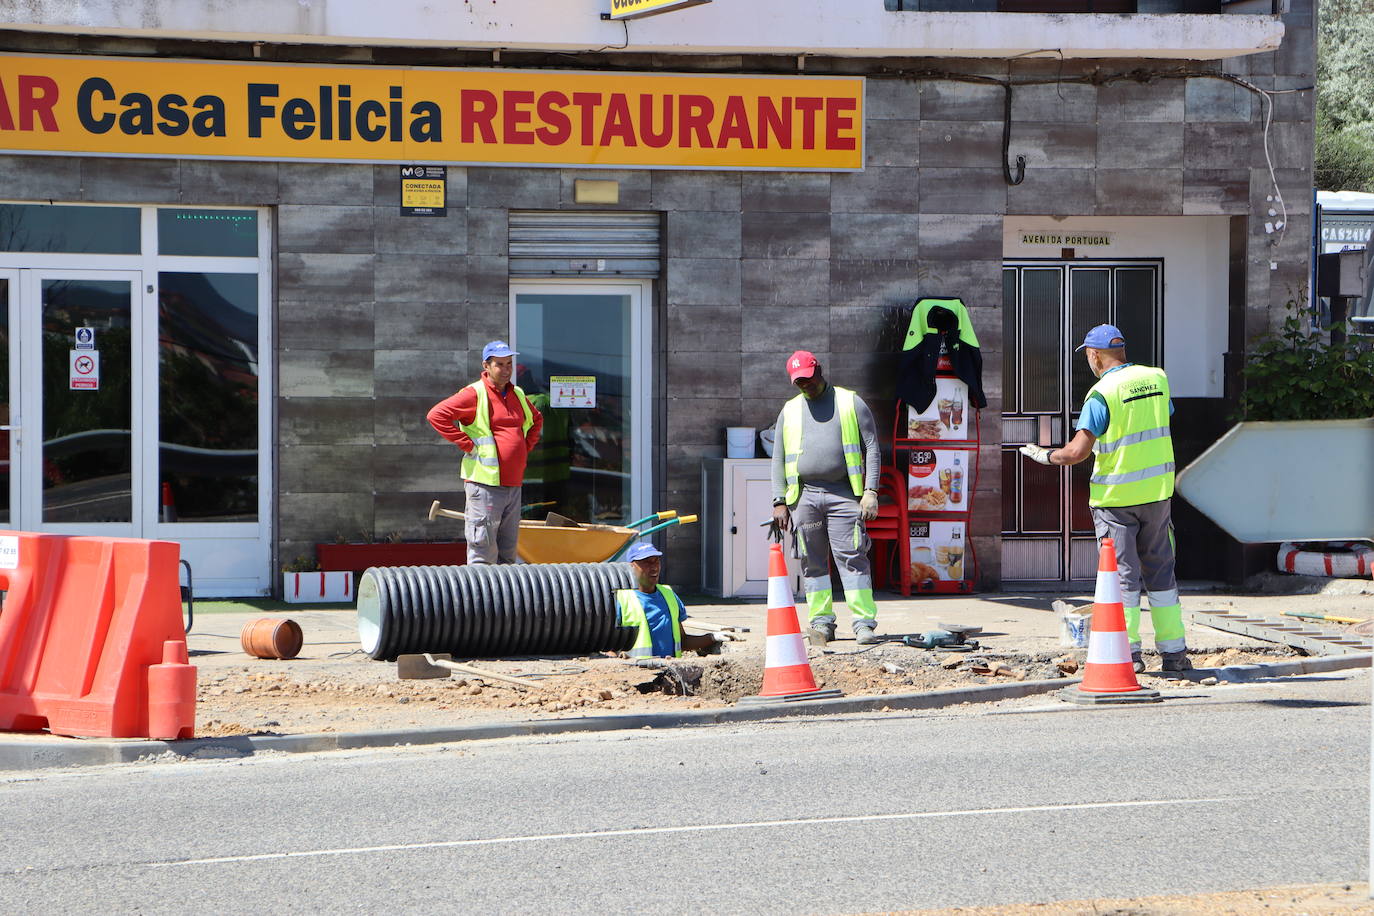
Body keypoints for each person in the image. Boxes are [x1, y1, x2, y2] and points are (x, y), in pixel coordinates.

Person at [1019, 324, 1189, 673]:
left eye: (1088, 356)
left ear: (1094, 355)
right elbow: (1162, 419)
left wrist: (1043, 456)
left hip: (1116, 501)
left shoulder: (1102, 393)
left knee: (1123, 578)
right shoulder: (1157, 379)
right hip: (1157, 495)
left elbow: (1076, 453)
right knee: (1161, 573)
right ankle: (1174, 654)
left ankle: (1129, 655)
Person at [770, 350, 883, 647]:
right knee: (812, 562)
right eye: (798, 382)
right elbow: (778, 457)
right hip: (805, 498)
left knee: (852, 558)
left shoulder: (849, 402)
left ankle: (863, 624)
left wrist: (870, 491)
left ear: (819, 371)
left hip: (844, 496)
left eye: (808, 379)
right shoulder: (790, 410)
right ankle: (821, 622)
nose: (805, 385)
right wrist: (779, 500)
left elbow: (872, 446)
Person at [427, 340, 543, 565]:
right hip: (484, 484)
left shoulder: (516, 393)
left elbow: (536, 419)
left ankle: (504, 600)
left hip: (512, 485)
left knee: (507, 555)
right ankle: (481, 600)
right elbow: (436, 415)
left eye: (509, 363)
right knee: (483, 553)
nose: (506, 369)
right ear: (486, 366)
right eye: (500, 364)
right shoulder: (474, 394)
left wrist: (524, 448)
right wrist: (466, 444)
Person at [615, 542, 721, 658]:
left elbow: (683, 641)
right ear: (631, 566)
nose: (654, 567)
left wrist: (713, 637)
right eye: (647, 562)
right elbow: (606, 646)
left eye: (656, 561)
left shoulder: (669, 594)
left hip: (669, 671)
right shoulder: (621, 600)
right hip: (637, 673)